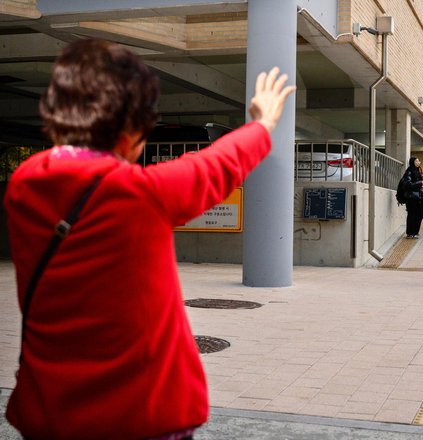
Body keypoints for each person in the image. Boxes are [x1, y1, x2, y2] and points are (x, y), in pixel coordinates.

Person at [3, 39, 295, 440]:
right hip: (144, 413)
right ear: (130, 130)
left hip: (50, 410)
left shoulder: (23, 185)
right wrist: (262, 123)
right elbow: (218, 164)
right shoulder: (142, 193)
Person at [402, 156, 423, 238]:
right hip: (411, 197)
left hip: (418, 196)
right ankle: (410, 233)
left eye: (419, 160)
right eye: (417, 161)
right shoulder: (409, 171)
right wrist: (420, 183)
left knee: (419, 215)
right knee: (412, 214)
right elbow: (408, 184)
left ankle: (415, 232)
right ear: (413, 162)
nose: (418, 162)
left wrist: (421, 180)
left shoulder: (418, 171)